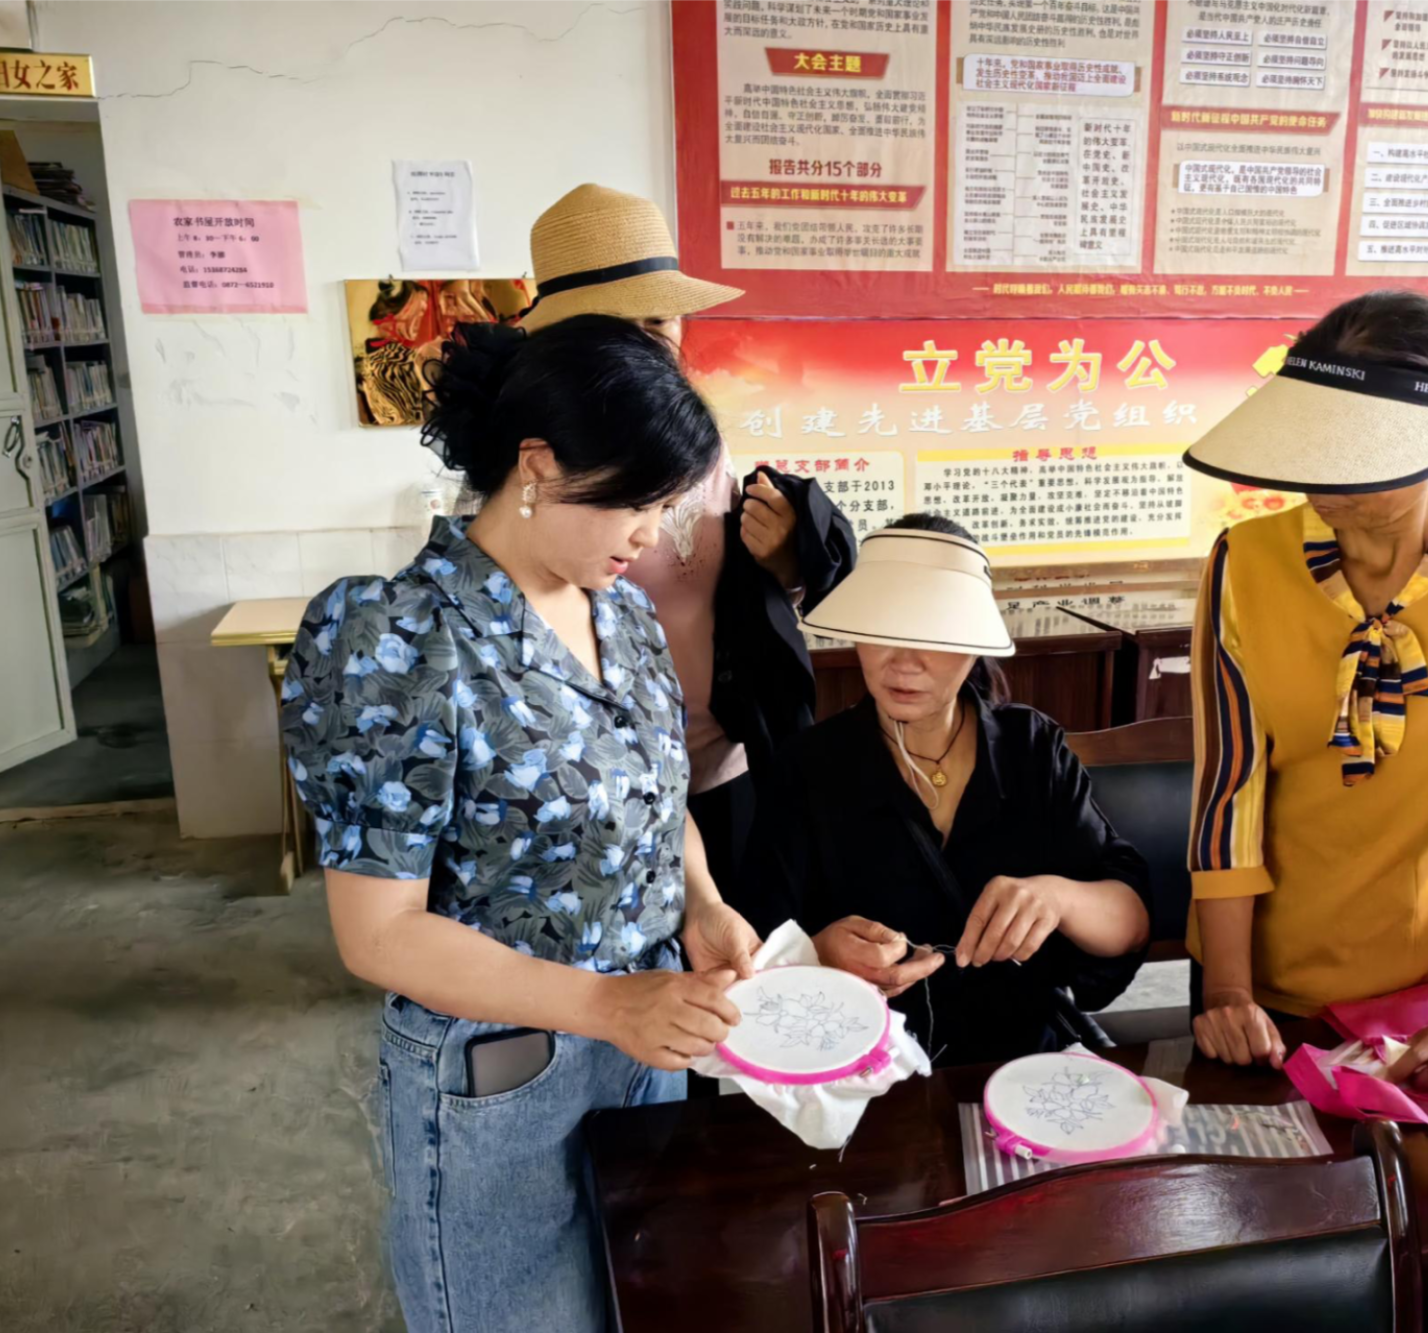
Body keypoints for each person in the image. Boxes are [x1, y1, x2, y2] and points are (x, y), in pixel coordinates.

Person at [281, 314, 762, 1332]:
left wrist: (703, 904)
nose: (651, 534)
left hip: (645, 1042)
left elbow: (656, 791)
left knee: (641, 1302)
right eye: (636, 502)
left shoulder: (622, 614)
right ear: (537, 465)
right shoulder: (392, 636)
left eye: (666, 507)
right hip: (501, 1072)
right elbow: (378, 933)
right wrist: (608, 1005)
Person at [1182, 290, 1428, 1098]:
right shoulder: (1246, 560)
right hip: (1263, 986)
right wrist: (1229, 992)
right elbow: (1229, 787)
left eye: (1354, 451)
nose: (1319, 479)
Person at [516, 184, 856, 896]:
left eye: (664, 317)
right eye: (627, 325)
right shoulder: (533, 465)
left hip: (723, 758)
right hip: (596, 785)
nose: (658, 344)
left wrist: (782, 555)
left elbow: (727, 588)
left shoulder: (701, 448)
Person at [736, 514, 1151, 1068]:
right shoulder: (809, 765)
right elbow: (755, 943)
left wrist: (1058, 897)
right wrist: (816, 953)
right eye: (882, 628)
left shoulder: (1030, 750)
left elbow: (1129, 923)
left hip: (1021, 1063)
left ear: (973, 641)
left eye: (932, 632)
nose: (902, 662)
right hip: (861, 1070)